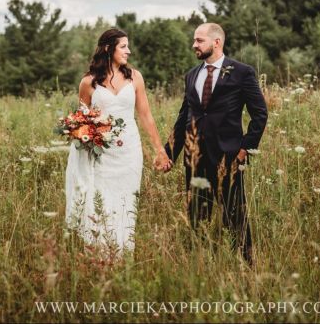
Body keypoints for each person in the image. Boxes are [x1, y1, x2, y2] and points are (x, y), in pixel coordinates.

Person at [164, 23, 268, 263]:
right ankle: (201, 267)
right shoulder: (191, 75)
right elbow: (184, 119)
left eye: (199, 40)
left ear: (217, 42)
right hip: (194, 159)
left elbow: (260, 113)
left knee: (235, 217)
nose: (194, 45)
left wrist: (244, 150)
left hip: (228, 158)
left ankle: (246, 266)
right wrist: (170, 153)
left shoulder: (242, 72)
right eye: (194, 40)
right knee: (197, 219)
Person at [64, 28, 172, 254]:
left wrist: (159, 150)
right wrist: (85, 134)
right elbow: (81, 118)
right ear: (108, 48)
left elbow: (145, 115)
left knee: (125, 201)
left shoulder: (135, 77)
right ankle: (98, 253)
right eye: (123, 46)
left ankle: (122, 253)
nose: (128, 51)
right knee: (99, 199)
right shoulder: (88, 82)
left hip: (129, 151)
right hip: (101, 154)